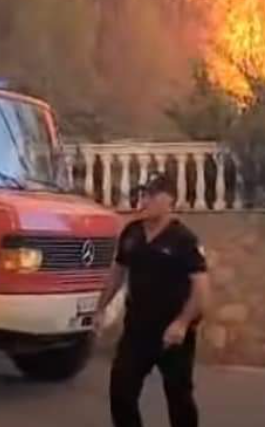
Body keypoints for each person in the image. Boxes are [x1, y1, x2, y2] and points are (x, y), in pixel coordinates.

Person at [94, 173, 211, 427]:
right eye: (142, 194)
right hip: (137, 329)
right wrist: (100, 308)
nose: (143, 200)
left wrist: (181, 323)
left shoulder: (184, 240)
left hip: (173, 333)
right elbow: (117, 273)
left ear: (168, 199)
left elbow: (201, 289)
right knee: (121, 391)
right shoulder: (131, 233)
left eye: (150, 195)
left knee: (178, 397)